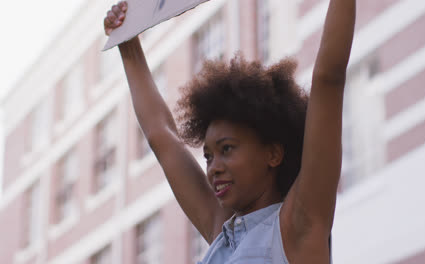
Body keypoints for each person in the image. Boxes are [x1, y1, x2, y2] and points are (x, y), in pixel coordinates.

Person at [104, 0, 355, 262]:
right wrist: (127, 40)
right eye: (208, 156)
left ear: (273, 153)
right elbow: (162, 136)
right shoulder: (221, 235)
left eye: (227, 149)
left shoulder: (298, 226)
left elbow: (329, 78)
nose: (213, 168)